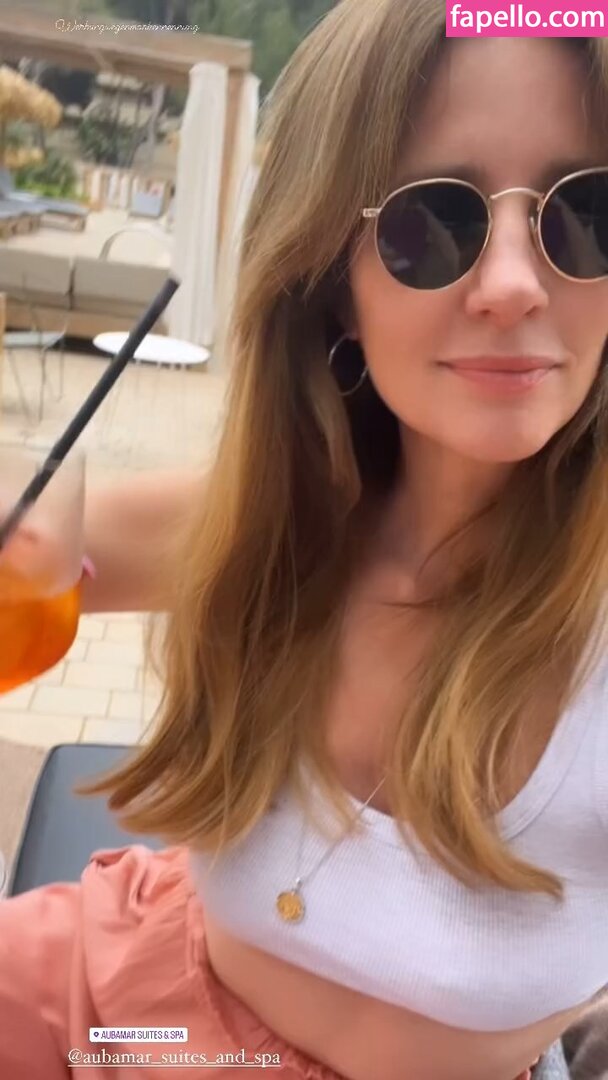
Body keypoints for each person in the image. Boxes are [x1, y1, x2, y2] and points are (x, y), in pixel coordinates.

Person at [1, 2, 608, 1078]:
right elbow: (31, 542)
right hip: (102, 992)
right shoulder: (273, 522)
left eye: (587, 213)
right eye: (434, 222)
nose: (516, 283)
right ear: (332, 283)